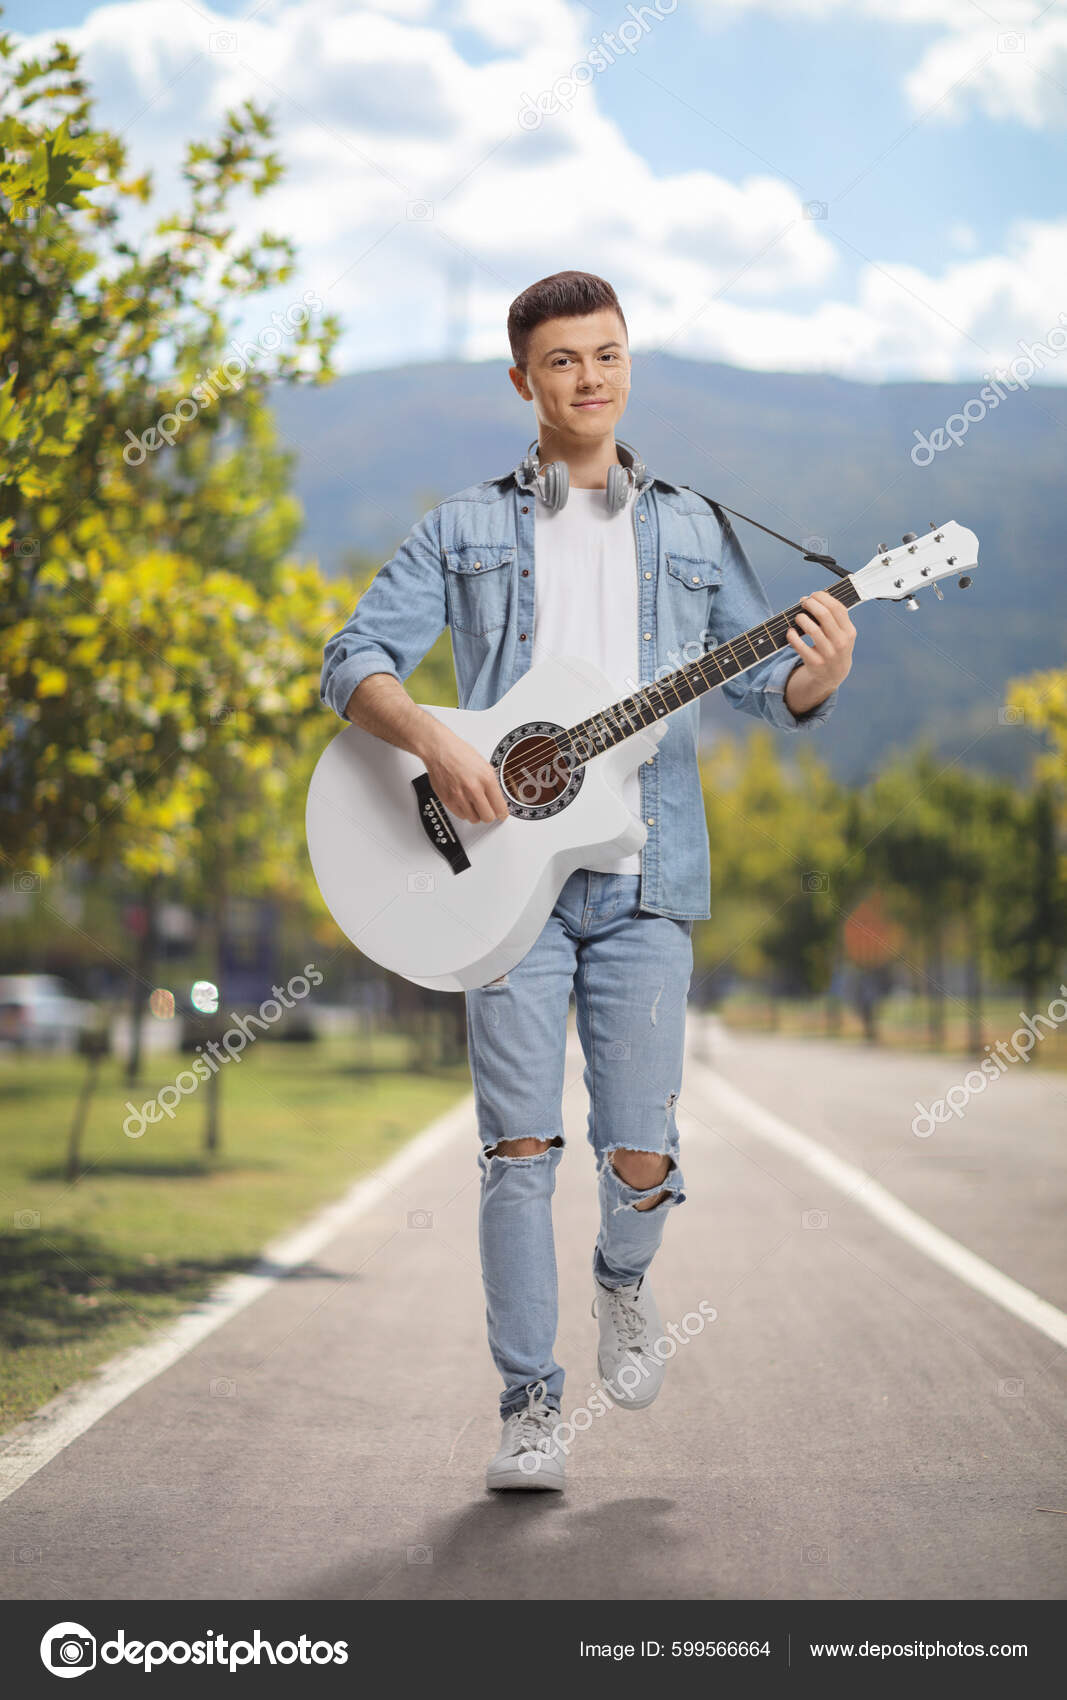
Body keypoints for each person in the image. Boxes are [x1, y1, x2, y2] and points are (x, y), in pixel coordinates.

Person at [319, 270, 855, 1494]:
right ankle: (527, 1406)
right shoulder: (460, 526)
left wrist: (814, 677)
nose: (589, 376)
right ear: (524, 380)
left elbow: (760, 687)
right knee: (516, 1151)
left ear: (628, 364)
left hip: (644, 875)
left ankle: (622, 1277)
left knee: (639, 1151)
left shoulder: (689, 527)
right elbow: (350, 658)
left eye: (607, 353)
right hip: (503, 885)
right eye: (561, 359)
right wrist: (439, 741)